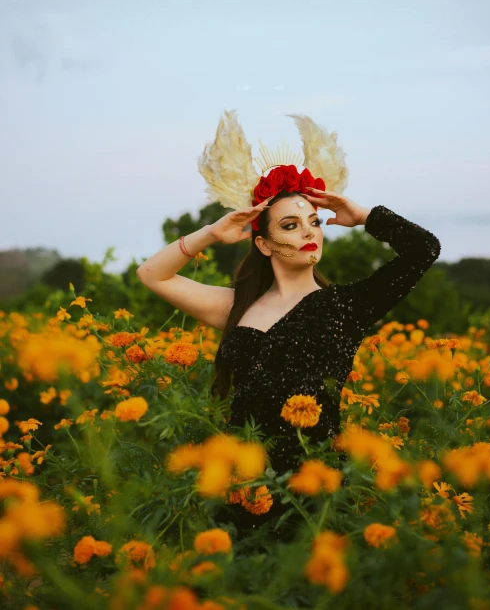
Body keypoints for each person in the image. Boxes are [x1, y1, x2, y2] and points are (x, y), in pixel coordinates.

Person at [137, 110, 441, 542]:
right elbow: (153, 275)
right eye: (290, 225)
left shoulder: (345, 306)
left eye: (313, 223)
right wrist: (211, 233)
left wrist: (364, 214)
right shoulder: (236, 307)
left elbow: (424, 249)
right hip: (243, 490)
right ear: (262, 243)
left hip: (312, 495)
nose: (308, 233)